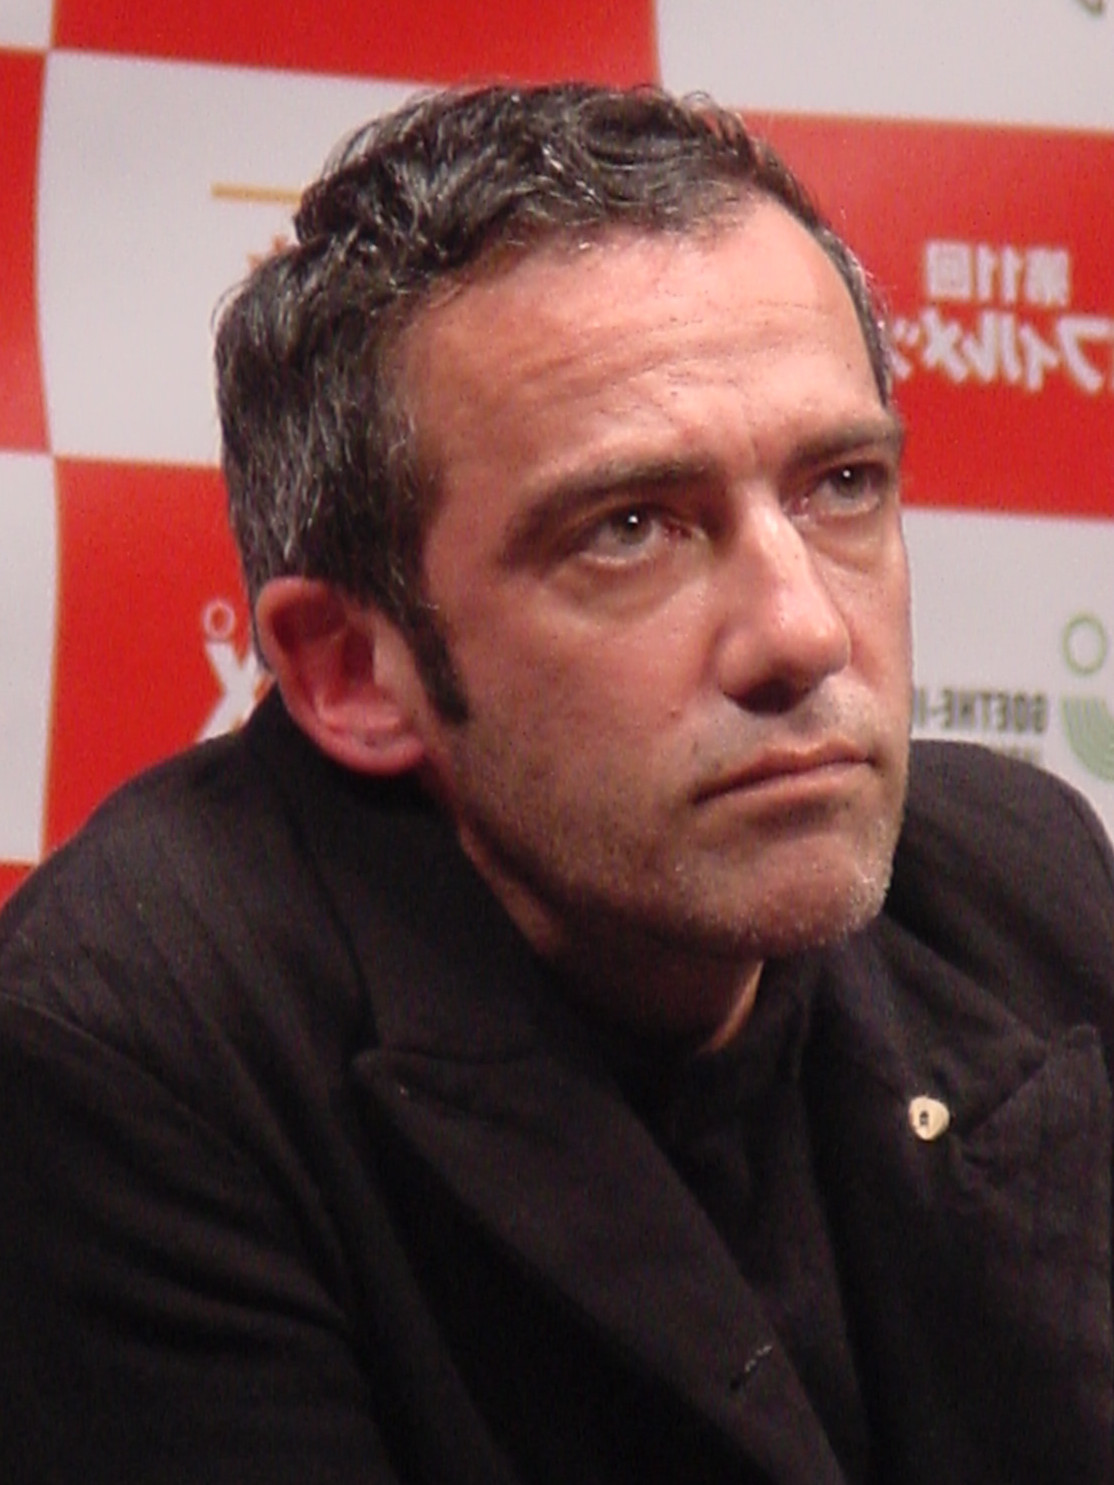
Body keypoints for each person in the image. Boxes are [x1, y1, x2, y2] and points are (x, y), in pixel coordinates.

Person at [1, 83, 1112, 1485]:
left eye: (840, 485)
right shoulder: (136, 1046)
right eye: (630, 528)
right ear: (351, 670)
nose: (803, 633)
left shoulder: (1015, 874)